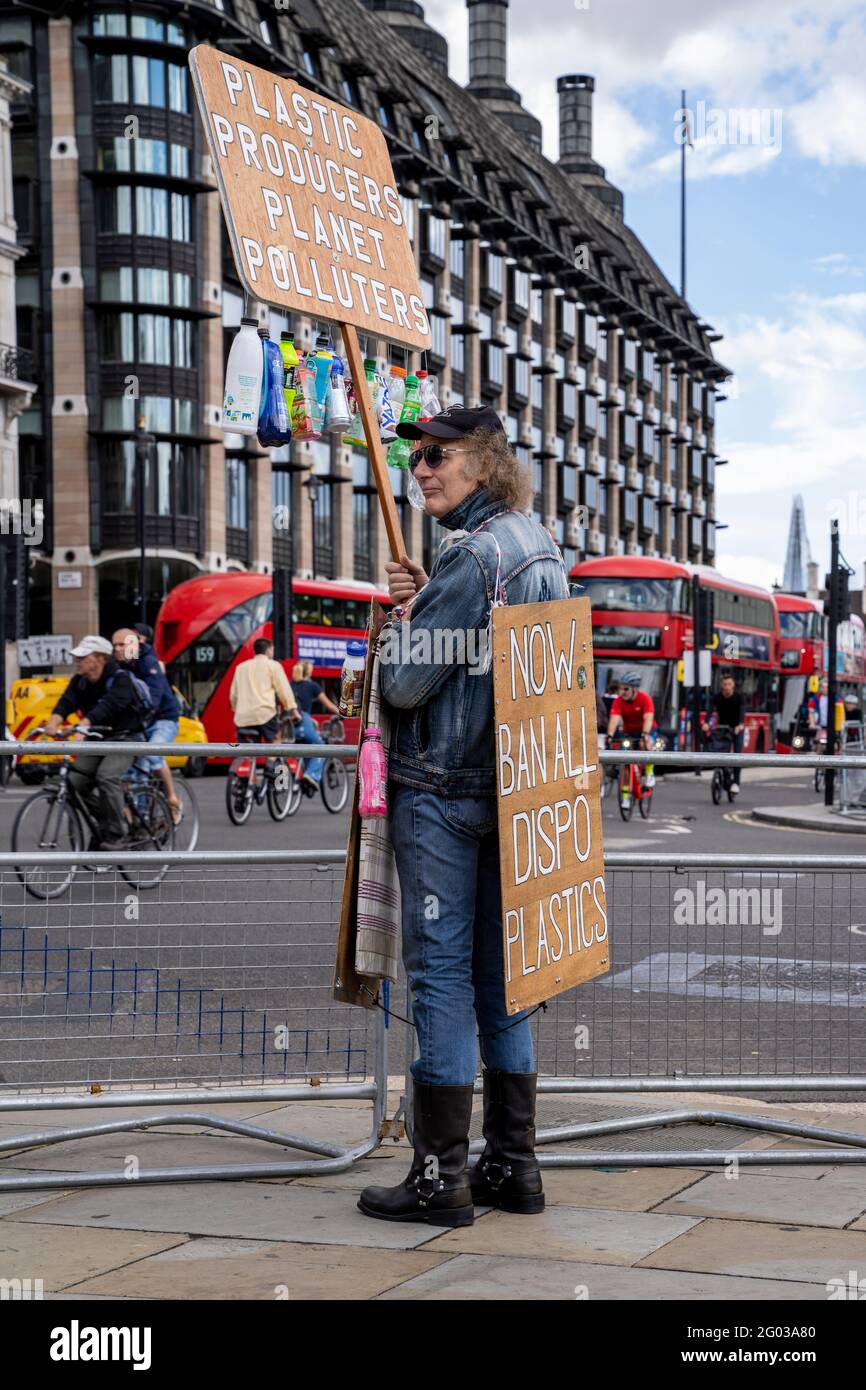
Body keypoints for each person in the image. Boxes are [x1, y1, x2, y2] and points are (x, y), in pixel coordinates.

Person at [356, 404, 569, 1229]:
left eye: (438, 456)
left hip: (442, 794)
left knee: (441, 980)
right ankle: (513, 1167)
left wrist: (393, 628)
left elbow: (407, 684)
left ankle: (439, 1178)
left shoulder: (474, 556)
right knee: (503, 985)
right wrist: (425, 605)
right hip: (515, 791)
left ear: (483, 462)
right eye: (414, 459)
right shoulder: (538, 545)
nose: (421, 469)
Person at [44, 635, 148, 850]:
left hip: (126, 737)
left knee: (106, 776)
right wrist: (52, 723)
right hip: (98, 739)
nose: (77, 660)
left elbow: (108, 706)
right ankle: (105, 823)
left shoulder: (120, 678)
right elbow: (65, 703)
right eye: (77, 656)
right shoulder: (80, 681)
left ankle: (119, 832)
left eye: (83, 656)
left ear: (100, 659)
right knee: (73, 783)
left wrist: (85, 724)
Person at [112, 627, 183, 823]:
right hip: (142, 722)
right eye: (115, 646)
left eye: (121, 645)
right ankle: (140, 818)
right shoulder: (119, 667)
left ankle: (171, 798)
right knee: (134, 771)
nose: (117, 649)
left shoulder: (150, 663)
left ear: (135, 645)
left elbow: (153, 699)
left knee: (152, 753)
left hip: (164, 719)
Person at [230, 638, 300, 759]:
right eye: (272, 649)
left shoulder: (240, 668)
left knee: (246, 752)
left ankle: (246, 770)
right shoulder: (273, 665)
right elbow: (284, 690)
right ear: (268, 650)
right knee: (276, 740)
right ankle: (270, 767)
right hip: (265, 714)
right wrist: (293, 710)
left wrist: (237, 709)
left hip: (242, 717)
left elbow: (233, 695)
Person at [290, 659, 340, 792]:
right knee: (321, 747)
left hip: (290, 726)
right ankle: (310, 775)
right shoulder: (312, 686)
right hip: (303, 723)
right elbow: (328, 705)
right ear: (309, 672)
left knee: (307, 749)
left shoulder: (290, 685)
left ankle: (305, 775)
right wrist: (343, 713)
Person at [701, 672, 745, 793]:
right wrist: (706, 723)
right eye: (725, 684)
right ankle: (722, 774)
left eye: (729, 684)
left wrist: (740, 725)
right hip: (722, 727)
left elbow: (742, 712)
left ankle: (736, 782)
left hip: (736, 728)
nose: (727, 687)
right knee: (719, 750)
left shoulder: (739, 697)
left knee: (737, 755)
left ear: (733, 685)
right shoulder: (717, 697)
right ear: (721, 685)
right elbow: (710, 710)